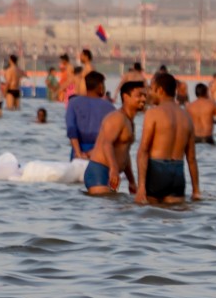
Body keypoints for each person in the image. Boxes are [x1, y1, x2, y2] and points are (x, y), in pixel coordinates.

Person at [137, 73, 199, 204]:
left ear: (160, 90)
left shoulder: (153, 113)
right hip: (177, 174)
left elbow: (143, 151)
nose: (149, 93)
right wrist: (196, 190)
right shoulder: (186, 117)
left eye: (152, 89)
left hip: (156, 171)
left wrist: (141, 187)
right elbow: (191, 158)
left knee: (151, 218)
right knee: (175, 218)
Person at [85, 81, 145, 195]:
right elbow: (107, 144)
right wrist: (113, 168)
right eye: (139, 95)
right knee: (105, 209)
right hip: (99, 171)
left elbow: (125, 154)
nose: (143, 99)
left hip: (112, 174)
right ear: (125, 97)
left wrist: (131, 181)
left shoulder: (130, 122)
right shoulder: (116, 118)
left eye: (145, 96)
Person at [67, 72, 115, 159]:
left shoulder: (73, 103)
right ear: (100, 86)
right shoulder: (109, 107)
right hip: (101, 151)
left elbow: (71, 129)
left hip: (77, 149)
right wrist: (91, 153)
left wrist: (78, 152)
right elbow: (111, 135)